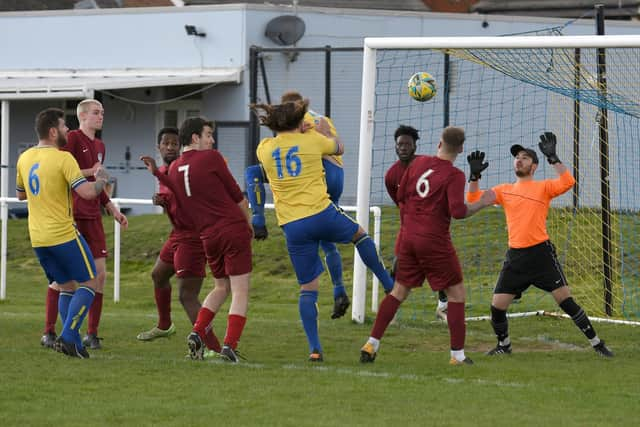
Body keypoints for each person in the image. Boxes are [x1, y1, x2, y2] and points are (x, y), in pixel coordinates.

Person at [251, 99, 395, 362]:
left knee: (308, 287)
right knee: (359, 235)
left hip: (292, 225)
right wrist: (324, 133)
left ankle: (314, 349)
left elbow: (260, 164)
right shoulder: (313, 140)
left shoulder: (265, 148)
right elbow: (339, 148)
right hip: (320, 212)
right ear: (299, 122)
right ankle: (388, 285)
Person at [466, 132, 613, 357]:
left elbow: (568, 182)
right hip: (516, 257)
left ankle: (597, 344)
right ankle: (504, 346)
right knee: (497, 307)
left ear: (533, 166)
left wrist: (553, 157)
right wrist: (474, 176)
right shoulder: (504, 190)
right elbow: (474, 201)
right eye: (517, 157)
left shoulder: (543, 187)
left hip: (541, 255)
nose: (519, 160)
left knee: (566, 301)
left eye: (524, 157)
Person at [360, 126, 494, 366]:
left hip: (408, 237)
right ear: (461, 149)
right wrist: (482, 203)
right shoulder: (454, 175)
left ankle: (372, 343)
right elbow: (458, 211)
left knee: (398, 292)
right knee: (457, 294)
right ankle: (457, 356)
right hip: (434, 240)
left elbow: (402, 200)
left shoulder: (417, 164)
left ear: (439, 143)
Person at [141, 117, 252, 363]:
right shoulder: (212, 158)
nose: (212, 140)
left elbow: (175, 191)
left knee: (220, 287)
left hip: (207, 236)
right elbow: (238, 197)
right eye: (208, 134)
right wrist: (250, 226)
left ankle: (197, 331)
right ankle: (229, 347)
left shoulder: (176, 168)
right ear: (195, 138)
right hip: (231, 228)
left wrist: (157, 173)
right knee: (240, 290)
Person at [245, 90, 355, 319]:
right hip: (336, 174)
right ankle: (339, 289)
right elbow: (334, 143)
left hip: (315, 173)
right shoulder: (322, 118)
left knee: (253, 172)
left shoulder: (294, 122)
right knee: (326, 239)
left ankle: (257, 218)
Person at [18, 108, 111, 358]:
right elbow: (89, 193)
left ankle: (75, 344)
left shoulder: (24, 158)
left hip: (38, 237)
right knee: (91, 281)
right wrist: (101, 178)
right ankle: (69, 336)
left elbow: (20, 194)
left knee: (66, 286)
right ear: (52, 131)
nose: (67, 130)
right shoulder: (63, 159)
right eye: (63, 126)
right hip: (62, 233)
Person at [41, 99, 128, 350]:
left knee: (100, 275)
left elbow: (98, 184)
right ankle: (49, 331)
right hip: (72, 215)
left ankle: (91, 333)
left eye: (102, 113)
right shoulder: (72, 140)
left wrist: (111, 208)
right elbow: (63, 171)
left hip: (93, 217)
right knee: (64, 277)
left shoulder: (100, 144)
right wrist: (92, 171)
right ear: (82, 116)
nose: (101, 116)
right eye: (96, 112)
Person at [136, 128, 220, 355]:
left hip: (192, 237)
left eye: (175, 143)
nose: (171, 147)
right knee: (158, 275)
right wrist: (165, 203)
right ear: (159, 147)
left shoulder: (181, 168)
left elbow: (190, 201)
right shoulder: (165, 170)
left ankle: (213, 348)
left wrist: (167, 200)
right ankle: (165, 325)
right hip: (178, 234)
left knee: (187, 295)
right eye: (167, 143)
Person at [384, 125, 449, 321]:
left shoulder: (426, 167)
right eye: (400, 144)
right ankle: (392, 309)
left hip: (431, 228)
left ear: (414, 146)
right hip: (408, 230)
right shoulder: (391, 175)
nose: (403, 147)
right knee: (397, 267)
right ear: (395, 147)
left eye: (407, 144)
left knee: (439, 268)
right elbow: (399, 202)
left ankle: (443, 307)